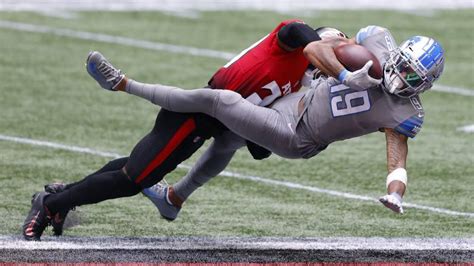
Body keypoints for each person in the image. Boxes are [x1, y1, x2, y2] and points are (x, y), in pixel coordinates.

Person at [23, 20, 372, 241]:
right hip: (194, 114)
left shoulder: (299, 83)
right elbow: (300, 34)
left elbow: (260, 145)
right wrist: (333, 59)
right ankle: (52, 202)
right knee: (135, 179)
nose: (335, 56)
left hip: (208, 123)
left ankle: (63, 196)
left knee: (139, 167)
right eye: (335, 46)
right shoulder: (295, 38)